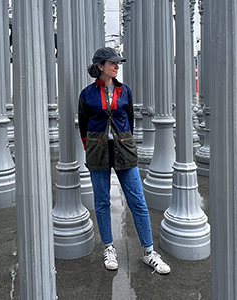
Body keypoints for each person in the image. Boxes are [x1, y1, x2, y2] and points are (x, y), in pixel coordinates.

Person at [78, 47, 170, 274]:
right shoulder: (86, 94)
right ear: (101, 66)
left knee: (137, 200)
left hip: (124, 150)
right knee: (102, 202)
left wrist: (125, 140)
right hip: (98, 151)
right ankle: (109, 248)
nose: (117, 66)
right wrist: (89, 147)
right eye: (112, 62)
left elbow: (129, 120)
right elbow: (83, 123)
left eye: (118, 63)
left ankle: (149, 252)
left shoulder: (125, 91)